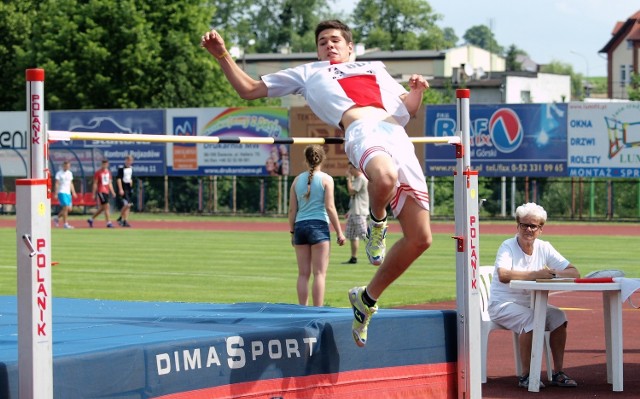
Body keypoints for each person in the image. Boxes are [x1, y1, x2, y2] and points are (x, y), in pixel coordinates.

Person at [202, 19, 432, 347]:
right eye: (323, 41)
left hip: (396, 134)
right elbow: (249, 90)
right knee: (385, 177)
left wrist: (418, 91)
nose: (329, 45)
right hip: (362, 130)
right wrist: (223, 55)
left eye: (336, 40)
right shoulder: (309, 72)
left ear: (351, 47)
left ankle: (366, 299)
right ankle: (377, 224)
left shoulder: (375, 67)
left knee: (421, 239)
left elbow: (406, 108)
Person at [488, 202, 580, 389]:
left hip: (531, 304)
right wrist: (534, 274)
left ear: (541, 229)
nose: (528, 229)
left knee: (559, 317)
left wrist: (553, 273)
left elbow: (574, 272)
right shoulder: (507, 245)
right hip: (502, 304)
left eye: (533, 226)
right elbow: (503, 275)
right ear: (517, 226)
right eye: (524, 225)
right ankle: (526, 375)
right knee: (531, 319)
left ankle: (558, 372)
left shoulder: (544, 247)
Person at [288, 145, 346, 306]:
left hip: (300, 226)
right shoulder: (327, 179)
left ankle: (302, 308)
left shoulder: (297, 180)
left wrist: (292, 231)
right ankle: (317, 310)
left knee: (303, 274)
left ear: (306, 160)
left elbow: (292, 209)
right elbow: (330, 207)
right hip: (319, 226)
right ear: (322, 159)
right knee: (319, 273)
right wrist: (339, 232)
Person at [342, 163, 369, 264]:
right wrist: (349, 211)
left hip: (359, 212)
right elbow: (353, 198)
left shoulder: (361, 178)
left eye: (351, 169)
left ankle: (376, 256)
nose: (349, 171)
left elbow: (352, 192)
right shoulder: (357, 179)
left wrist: (348, 179)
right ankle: (354, 258)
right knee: (353, 236)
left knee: (365, 235)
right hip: (354, 211)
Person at [87, 159, 116, 228]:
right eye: (103, 164)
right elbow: (95, 183)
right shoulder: (98, 173)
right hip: (101, 190)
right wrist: (93, 193)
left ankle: (91, 219)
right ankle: (109, 222)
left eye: (106, 164)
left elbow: (109, 183)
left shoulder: (108, 173)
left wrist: (113, 191)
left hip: (106, 191)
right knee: (107, 206)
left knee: (103, 208)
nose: (104, 165)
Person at [53, 160, 77, 229]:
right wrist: (56, 193)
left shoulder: (70, 173)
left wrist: (74, 192)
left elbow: (71, 183)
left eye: (68, 166)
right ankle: (65, 224)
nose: (67, 167)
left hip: (68, 193)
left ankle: (57, 218)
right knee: (65, 207)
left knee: (69, 209)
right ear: (63, 166)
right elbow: (57, 183)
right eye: (66, 165)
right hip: (62, 192)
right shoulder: (59, 173)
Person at [116, 155, 134, 227]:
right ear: (125, 160)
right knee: (127, 204)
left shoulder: (131, 168)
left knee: (128, 206)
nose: (129, 162)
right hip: (124, 188)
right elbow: (119, 179)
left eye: (130, 160)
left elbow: (130, 178)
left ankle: (125, 220)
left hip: (129, 188)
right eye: (128, 160)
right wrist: (120, 189)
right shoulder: (121, 168)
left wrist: (131, 184)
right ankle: (120, 218)